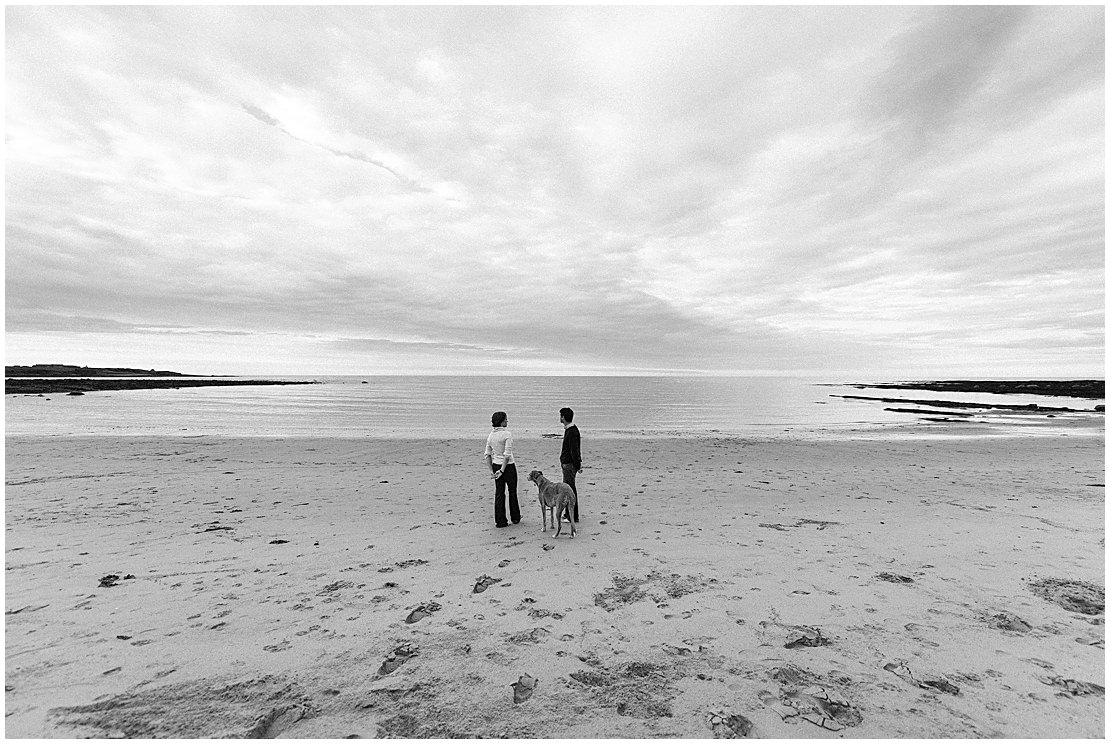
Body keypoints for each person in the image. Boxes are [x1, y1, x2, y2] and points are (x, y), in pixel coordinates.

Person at [483, 411, 519, 528]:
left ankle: (500, 521)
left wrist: (492, 471)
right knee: (512, 492)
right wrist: (502, 470)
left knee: (499, 493)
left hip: (496, 465)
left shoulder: (491, 436)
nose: (507, 421)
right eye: (506, 420)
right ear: (502, 421)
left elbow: (487, 455)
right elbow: (507, 455)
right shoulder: (507, 434)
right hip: (507, 467)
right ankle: (515, 517)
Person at [559, 407, 582, 522]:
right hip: (567, 463)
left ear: (563, 417)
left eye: (561, 416)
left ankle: (573, 515)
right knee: (567, 489)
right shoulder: (569, 430)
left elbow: (574, 450)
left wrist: (577, 465)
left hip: (569, 465)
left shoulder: (572, 431)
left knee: (570, 490)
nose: (560, 418)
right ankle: (568, 513)